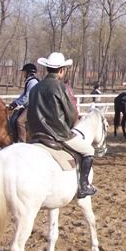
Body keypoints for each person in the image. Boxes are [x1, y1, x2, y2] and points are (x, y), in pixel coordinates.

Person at [27, 52, 97, 198]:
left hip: (35, 134)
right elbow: (72, 115)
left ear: (47, 68)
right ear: (61, 70)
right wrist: (71, 124)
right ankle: (84, 185)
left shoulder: (35, 88)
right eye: (64, 69)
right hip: (58, 134)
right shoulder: (60, 87)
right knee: (89, 150)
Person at [7, 63, 40, 142]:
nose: (23, 74)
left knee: (20, 121)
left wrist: (16, 104)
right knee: (14, 115)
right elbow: (23, 94)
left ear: (28, 72)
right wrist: (15, 102)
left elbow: (27, 97)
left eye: (24, 72)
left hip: (32, 106)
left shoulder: (33, 82)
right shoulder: (29, 81)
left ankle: (22, 142)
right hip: (29, 105)